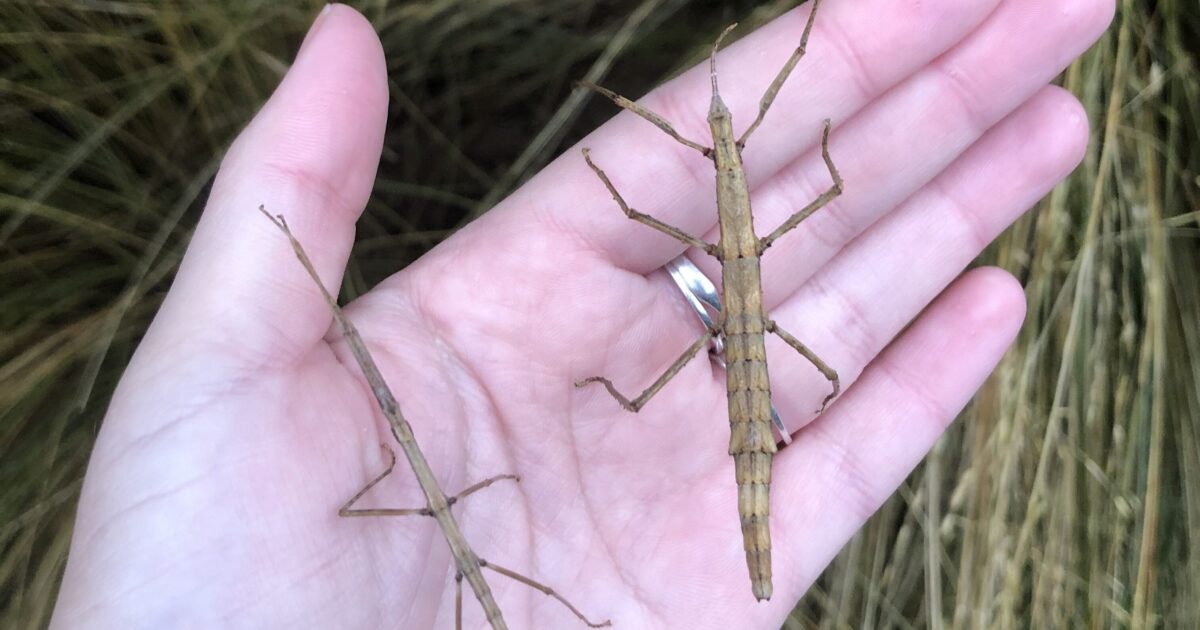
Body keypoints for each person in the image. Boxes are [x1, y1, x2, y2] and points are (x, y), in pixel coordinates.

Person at [49, 1, 1114, 627]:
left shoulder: (738, 226)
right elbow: (809, 187)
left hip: (751, 362)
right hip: (750, 356)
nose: (723, 156)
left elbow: (816, 185)